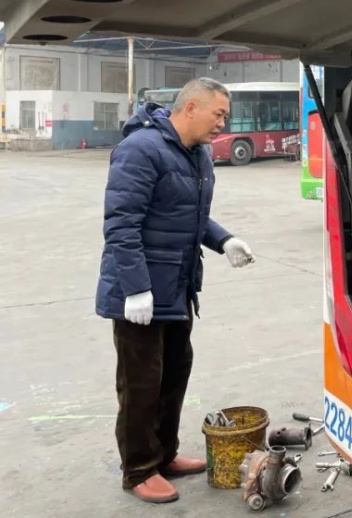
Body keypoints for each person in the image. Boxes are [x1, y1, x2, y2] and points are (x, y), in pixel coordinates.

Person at [96, 77, 254, 504]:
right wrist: (135, 289)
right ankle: (138, 469)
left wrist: (224, 240)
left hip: (177, 287)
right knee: (141, 382)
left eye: (225, 115)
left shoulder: (197, 154)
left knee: (174, 372)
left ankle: (164, 454)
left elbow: (191, 216)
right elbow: (122, 224)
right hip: (140, 295)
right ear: (191, 108)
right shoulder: (140, 150)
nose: (223, 123)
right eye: (218, 114)